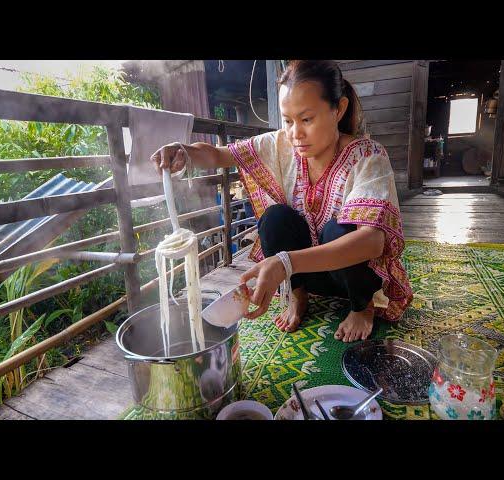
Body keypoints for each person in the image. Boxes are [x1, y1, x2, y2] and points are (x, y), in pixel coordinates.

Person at [150, 60, 412, 342]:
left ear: (339, 109)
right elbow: (217, 154)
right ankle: (298, 297)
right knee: (275, 219)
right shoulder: (281, 145)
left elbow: (373, 242)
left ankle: (362, 308)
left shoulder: (368, 156)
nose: (295, 133)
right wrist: (184, 152)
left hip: (353, 278)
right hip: (306, 273)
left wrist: (285, 262)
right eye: (288, 121)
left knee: (341, 230)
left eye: (307, 119)